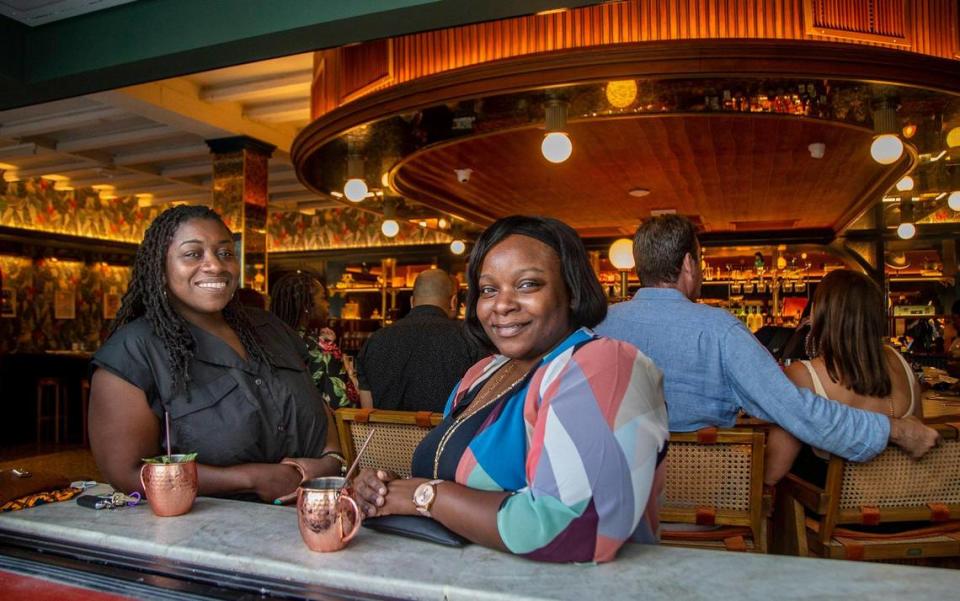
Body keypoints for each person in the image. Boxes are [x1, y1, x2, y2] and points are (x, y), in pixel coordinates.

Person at [353, 216, 669, 563]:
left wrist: (423, 495)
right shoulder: (482, 373)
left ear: (572, 290)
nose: (502, 305)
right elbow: (451, 491)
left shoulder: (604, 364)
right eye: (489, 289)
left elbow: (574, 530)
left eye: (528, 284)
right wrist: (388, 491)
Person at [595, 214, 938, 478]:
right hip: (706, 510)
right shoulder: (721, 330)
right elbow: (798, 411)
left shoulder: (598, 327)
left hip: (615, 505)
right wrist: (892, 428)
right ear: (689, 263)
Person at [88, 205, 345, 503]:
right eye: (193, 254)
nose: (215, 265)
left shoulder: (269, 329)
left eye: (225, 253)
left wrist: (330, 460)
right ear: (160, 267)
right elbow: (128, 473)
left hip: (315, 520)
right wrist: (250, 479)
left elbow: (318, 410)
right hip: (203, 536)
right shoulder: (134, 351)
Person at [765, 270, 924, 484]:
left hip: (829, 513)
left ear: (820, 312)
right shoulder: (899, 361)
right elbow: (919, 439)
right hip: (897, 506)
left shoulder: (802, 374)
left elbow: (773, 471)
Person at [356, 268, 482, 412]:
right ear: (453, 302)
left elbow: (368, 413)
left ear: (412, 301)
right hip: (449, 434)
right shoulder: (470, 340)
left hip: (386, 434)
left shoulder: (375, 341)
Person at [269, 271, 359, 410]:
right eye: (323, 298)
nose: (327, 304)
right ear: (306, 306)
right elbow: (342, 407)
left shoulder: (265, 341)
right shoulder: (324, 350)